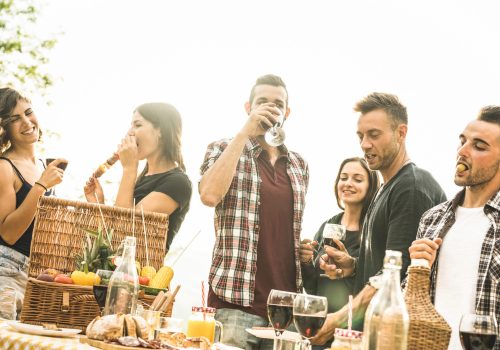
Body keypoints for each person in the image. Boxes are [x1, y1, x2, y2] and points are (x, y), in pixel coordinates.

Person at [313, 92, 446, 344]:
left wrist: (338, 319)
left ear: (401, 133)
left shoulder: (411, 188)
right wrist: (352, 266)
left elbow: (394, 275)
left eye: (373, 135)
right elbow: (382, 266)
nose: (364, 144)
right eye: (361, 136)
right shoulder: (386, 188)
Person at [199, 74, 309, 349]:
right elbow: (209, 195)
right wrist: (244, 133)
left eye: (277, 103)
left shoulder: (299, 164)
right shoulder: (222, 148)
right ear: (248, 107)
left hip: (284, 311)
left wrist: (304, 249)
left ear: (287, 112)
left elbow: (284, 227)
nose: (269, 109)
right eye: (262, 102)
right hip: (234, 305)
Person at [408, 106, 500, 350]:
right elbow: (411, 304)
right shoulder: (432, 219)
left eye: (479, 146)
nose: (462, 152)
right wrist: (416, 270)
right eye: (462, 141)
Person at [84, 102, 192, 250]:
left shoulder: (177, 182)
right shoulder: (143, 177)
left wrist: (129, 168)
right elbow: (114, 235)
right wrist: (98, 205)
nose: (130, 133)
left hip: (141, 272)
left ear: (161, 130)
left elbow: (126, 231)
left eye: (138, 125)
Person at [0, 87, 66, 317]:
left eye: (29, 112)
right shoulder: (5, 167)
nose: (27, 122)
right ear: (4, 127)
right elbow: (8, 233)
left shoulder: (41, 164)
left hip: (35, 276)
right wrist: (40, 187)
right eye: (15, 119)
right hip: (5, 274)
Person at [300, 157, 379, 313]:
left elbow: (376, 282)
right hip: (320, 320)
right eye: (343, 178)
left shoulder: (374, 230)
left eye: (357, 179)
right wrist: (306, 261)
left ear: (371, 186)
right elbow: (312, 288)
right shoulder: (328, 225)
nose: (348, 183)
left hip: (352, 325)